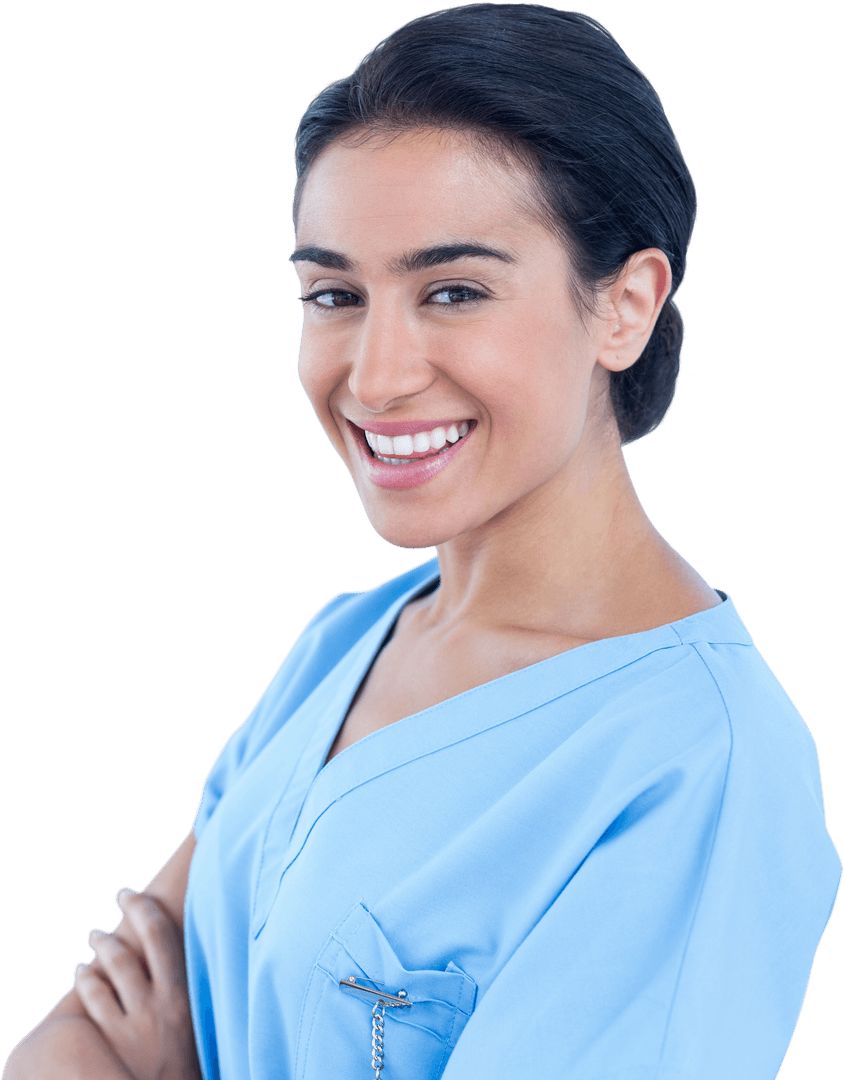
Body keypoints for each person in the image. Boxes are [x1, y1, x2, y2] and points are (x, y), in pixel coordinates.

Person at [5, 5, 840, 1079]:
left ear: (623, 307)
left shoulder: (698, 771)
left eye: (453, 291)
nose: (377, 373)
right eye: (334, 294)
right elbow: (73, 1041)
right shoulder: (345, 641)